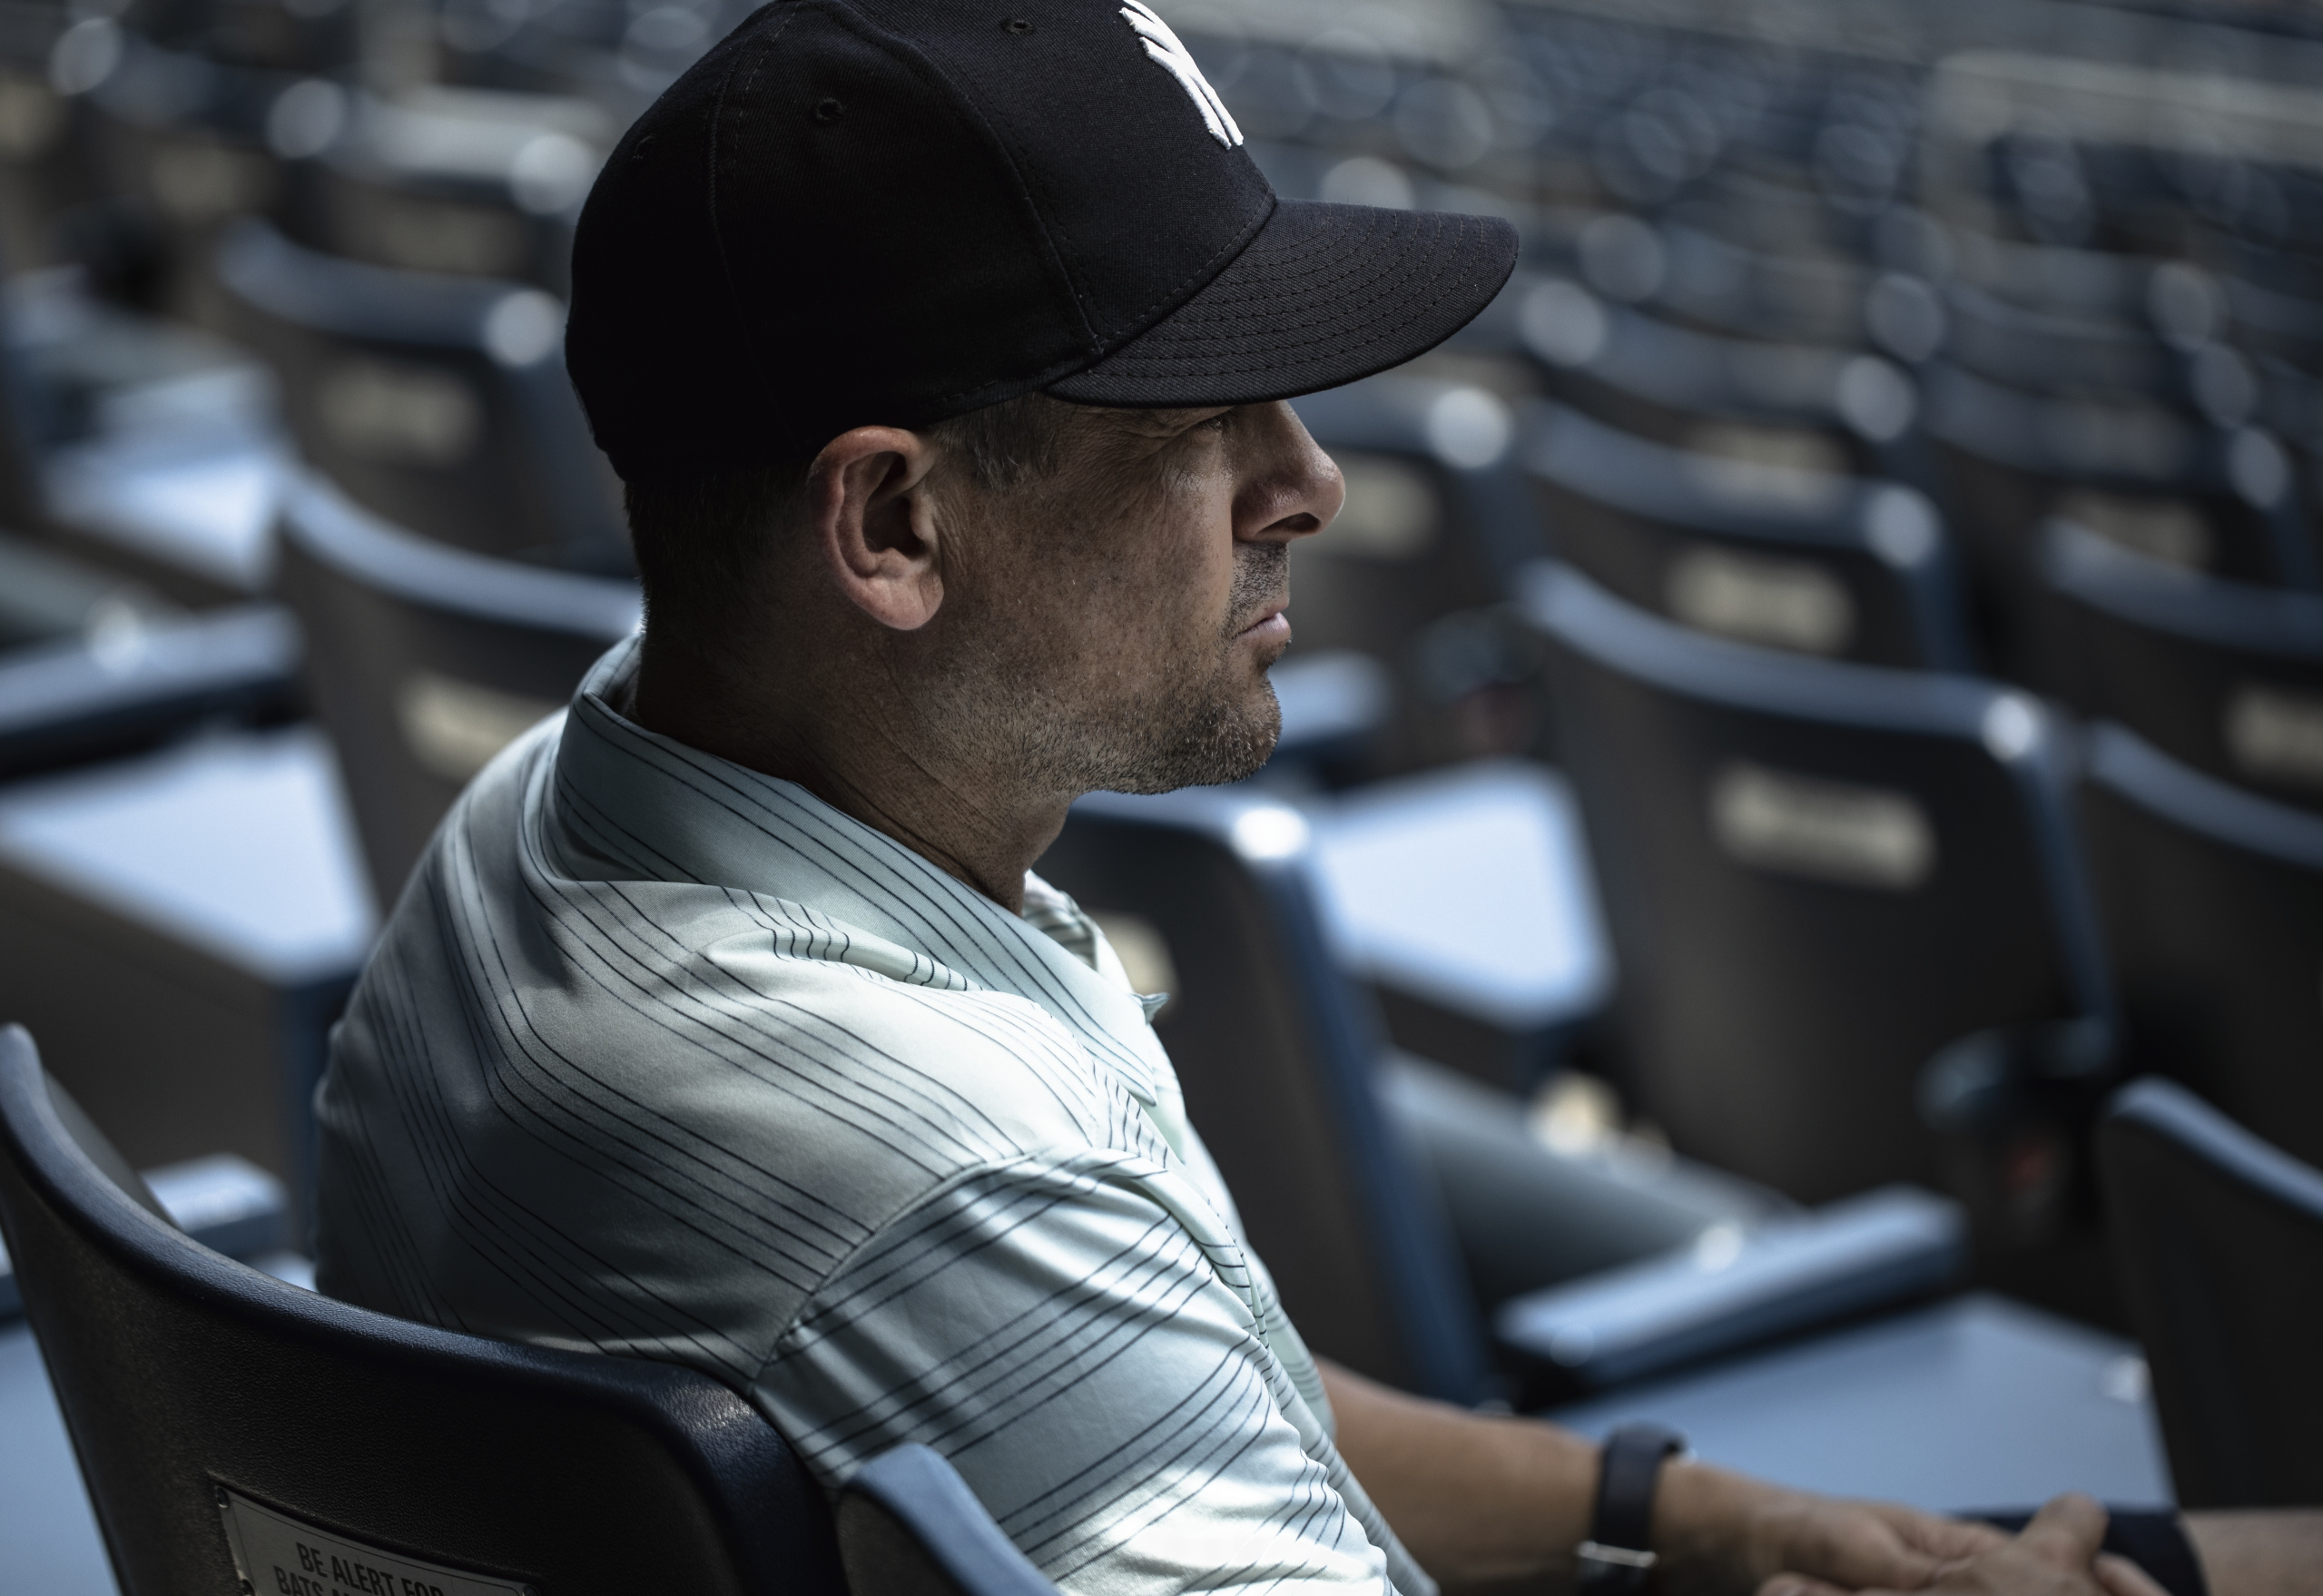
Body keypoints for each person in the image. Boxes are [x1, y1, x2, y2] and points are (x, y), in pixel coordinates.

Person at [310, 4, 2318, 1594]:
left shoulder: (547, 808)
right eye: (1201, 424)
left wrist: (1699, 1516)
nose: (1310, 482)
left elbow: (1167, 1404)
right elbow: (1008, 1288)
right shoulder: (937, 1184)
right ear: (894, 522)